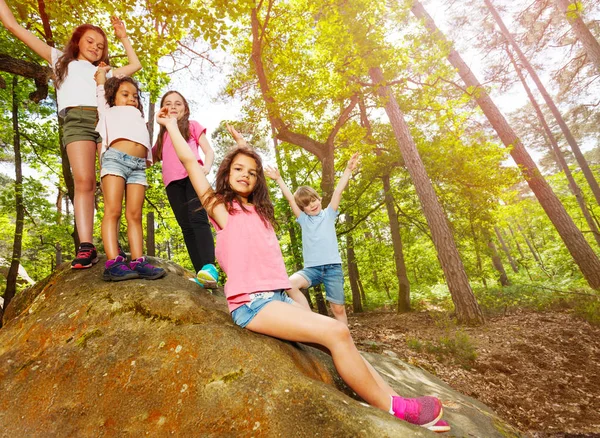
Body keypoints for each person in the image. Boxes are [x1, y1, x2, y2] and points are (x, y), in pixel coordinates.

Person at [155, 110, 449, 432]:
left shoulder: (262, 214)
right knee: (336, 331)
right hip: (251, 304)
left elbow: (271, 266)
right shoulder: (222, 210)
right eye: (238, 169)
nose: (245, 175)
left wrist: (294, 295)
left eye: (252, 172)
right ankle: (395, 409)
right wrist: (171, 126)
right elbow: (191, 165)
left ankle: (393, 400)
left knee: (340, 336)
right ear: (226, 174)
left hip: (279, 297)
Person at [0, 0, 142, 268]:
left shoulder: (105, 72)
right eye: (90, 41)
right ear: (77, 42)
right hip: (76, 120)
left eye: (100, 45)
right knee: (84, 181)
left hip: (105, 121)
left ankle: (115, 243)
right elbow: (13, 25)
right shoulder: (59, 60)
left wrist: (124, 39)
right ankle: (86, 246)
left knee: (112, 180)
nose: (95, 47)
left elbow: (134, 65)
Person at [264, 154, 359, 325]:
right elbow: (290, 198)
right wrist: (278, 179)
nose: (312, 205)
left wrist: (348, 169)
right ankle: (310, 319)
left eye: (313, 200)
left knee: (338, 309)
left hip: (332, 268)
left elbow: (338, 191)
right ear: (303, 209)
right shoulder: (303, 220)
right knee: (289, 284)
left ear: (319, 199)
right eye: (307, 204)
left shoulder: (329, 214)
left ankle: (345, 343)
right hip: (312, 269)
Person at [95, 67, 164, 281]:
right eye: (125, 95)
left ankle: (137, 261)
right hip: (115, 159)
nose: (131, 99)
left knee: (135, 214)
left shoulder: (138, 115)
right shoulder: (108, 109)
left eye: (135, 96)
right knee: (113, 210)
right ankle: (113, 262)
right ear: (112, 97)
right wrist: (101, 74)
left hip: (138, 167)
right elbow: (100, 87)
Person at [152, 91, 218, 287]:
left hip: (192, 176)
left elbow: (209, 150)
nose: (173, 107)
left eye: (178, 103)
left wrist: (206, 166)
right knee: (186, 227)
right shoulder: (163, 134)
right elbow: (151, 157)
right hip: (172, 183)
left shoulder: (192, 125)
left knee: (198, 219)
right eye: (168, 103)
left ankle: (209, 268)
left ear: (185, 108)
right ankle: (201, 275)